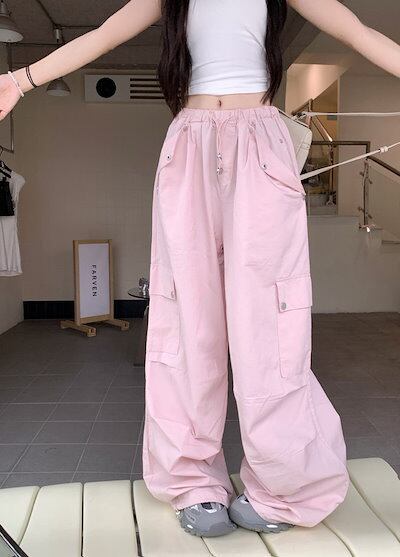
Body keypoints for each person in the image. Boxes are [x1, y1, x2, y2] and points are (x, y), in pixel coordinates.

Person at [1, 0, 399, 540]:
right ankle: (193, 482)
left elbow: (355, 29)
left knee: (271, 326)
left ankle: (286, 488)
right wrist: (19, 79)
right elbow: (106, 33)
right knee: (186, 321)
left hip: (261, 143)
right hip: (189, 143)